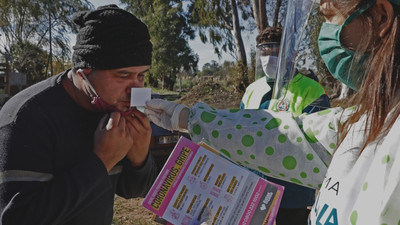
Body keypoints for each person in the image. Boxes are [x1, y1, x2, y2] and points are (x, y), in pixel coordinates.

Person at [144, 0, 400, 224]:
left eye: (329, 17)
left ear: (380, 17)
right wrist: (190, 118)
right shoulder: (367, 122)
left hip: (292, 198)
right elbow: (286, 136)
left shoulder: (315, 92)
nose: (327, 34)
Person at [0, 5, 157, 225]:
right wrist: (101, 161)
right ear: (84, 72)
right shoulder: (26, 118)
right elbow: (18, 218)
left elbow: (132, 191)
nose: (134, 89)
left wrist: (139, 159)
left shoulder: (114, 109)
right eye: (123, 75)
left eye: (141, 76)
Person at [241, 26, 330, 225]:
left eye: (275, 51)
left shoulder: (311, 91)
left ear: (292, 53)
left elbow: (318, 144)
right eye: (264, 51)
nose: (268, 57)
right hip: (253, 189)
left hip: (292, 194)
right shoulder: (251, 90)